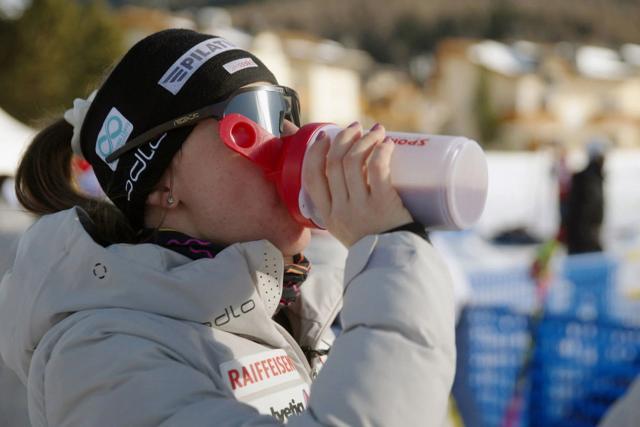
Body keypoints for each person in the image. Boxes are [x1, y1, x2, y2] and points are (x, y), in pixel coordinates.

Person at [0, 29, 455, 426]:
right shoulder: (101, 360)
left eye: (285, 109)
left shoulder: (299, 308)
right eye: (255, 114)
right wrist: (394, 254)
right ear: (161, 182)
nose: (290, 135)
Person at [565, 140, 607, 254]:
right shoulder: (587, 178)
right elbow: (584, 212)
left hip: (588, 238)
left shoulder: (595, 177)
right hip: (584, 243)